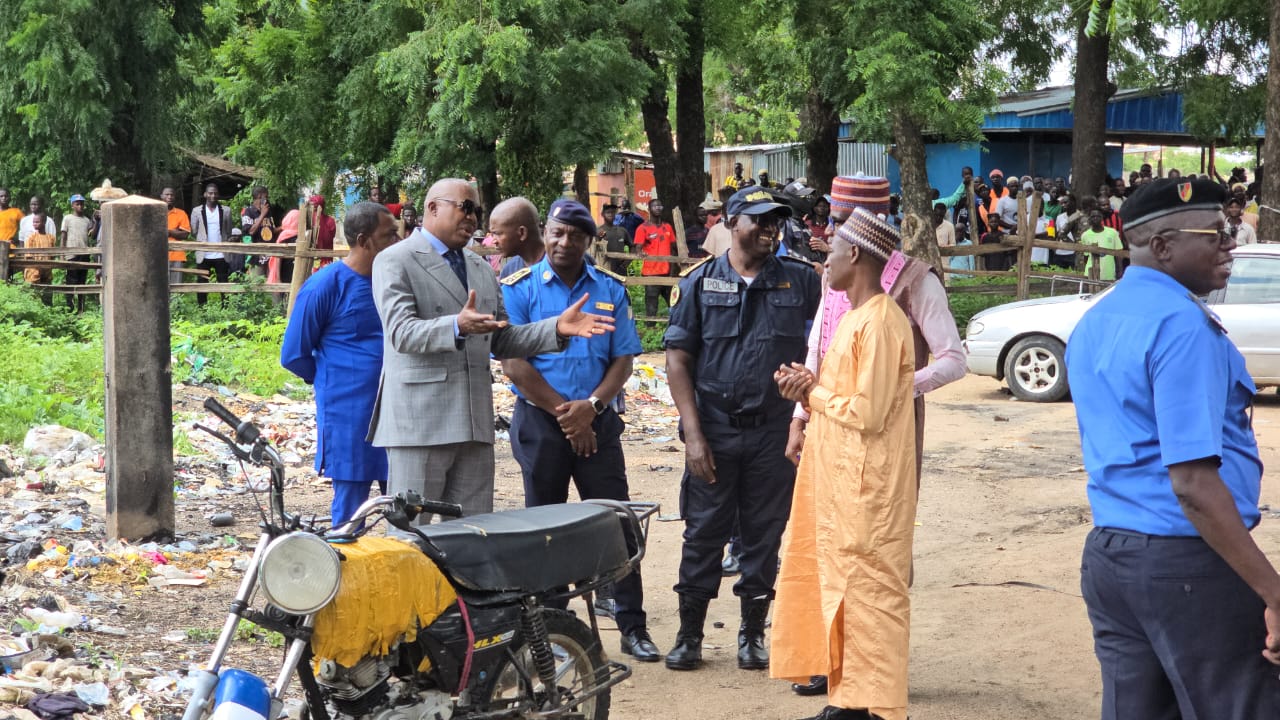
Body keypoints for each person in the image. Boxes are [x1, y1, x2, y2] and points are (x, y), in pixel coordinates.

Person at [1065, 177, 1280, 719]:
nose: (1230, 242)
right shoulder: (1181, 326)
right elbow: (1192, 484)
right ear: (1162, 247)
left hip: (1112, 557)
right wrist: (1273, 592)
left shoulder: (1094, 322)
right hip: (1187, 563)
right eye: (1215, 233)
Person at [786, 177, 965, 699]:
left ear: (865, 228)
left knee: (877, 547)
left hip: (884, 424)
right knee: (830, 540)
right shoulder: (841, 280)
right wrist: (799, 419)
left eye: (839, 218)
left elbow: (953, 359)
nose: (828, 229)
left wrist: (892, 388)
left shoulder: (912, 282)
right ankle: (833, 662)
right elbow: (818, 346)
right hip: (827, 420)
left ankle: (874, 671)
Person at [368, 178, 615, 518]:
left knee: (473, 535)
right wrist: (457, 325)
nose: (473, 218)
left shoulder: (480, 268)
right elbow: (400, 332)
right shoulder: (396, 260)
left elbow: (501, 340)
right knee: (413, 535)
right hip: (420, 424)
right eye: (465, 207)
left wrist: (555, 328)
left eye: (477, 211)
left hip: (473, 422)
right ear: (432, 208)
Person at [662, 186, 821, 672]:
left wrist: (806, 405)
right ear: (732, 223)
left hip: (775, 433)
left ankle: (752, 634)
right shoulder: (699, 282)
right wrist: (693, 435)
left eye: (776, 220)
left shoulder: (802, 280)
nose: (771, 227)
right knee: (704, 532)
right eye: (760, 220)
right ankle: (690, 634)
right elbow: (677, 359)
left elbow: (824, 347)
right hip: (714, 430)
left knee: (764, 534)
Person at [772, 208, 919, 720]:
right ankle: (847, 697)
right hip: (839, 481)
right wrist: (807, 392)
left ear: (854, 255)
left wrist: (813, 393)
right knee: (838, 588)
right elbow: (839, 395)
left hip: (868, 490)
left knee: (870, 596)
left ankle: (874, 706)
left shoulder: (879, 321)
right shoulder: (853, 317)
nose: (823, 262)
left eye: (830, 252)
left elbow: (869, 411)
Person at [500, 198, 657, 661]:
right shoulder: (519, 287)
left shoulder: (610, 288)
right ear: (544, 234)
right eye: (557, 232)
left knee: (616, 523)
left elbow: (624, 358)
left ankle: (633, 625)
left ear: (590, 241)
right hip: (542, 424)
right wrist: (568, 417)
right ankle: (553, 636)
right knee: (544, 530)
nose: (564, 242)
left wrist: (591, 407)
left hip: (598, 421)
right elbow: (514, 363)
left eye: (575, 235)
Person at [281, 202, 400, 525]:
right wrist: (332, 378)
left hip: (400, 411)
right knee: (350, 513)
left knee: (405, 508)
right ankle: (346, 573)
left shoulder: (396, 284)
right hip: (349, 416)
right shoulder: (325, 286)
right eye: (389, 235)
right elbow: (293, 354)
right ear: (364, 241)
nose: (397, 241)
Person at [190, 183, 234, 306]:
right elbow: (194, 230)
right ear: (205, 194)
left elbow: (229, 230)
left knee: (223, 281)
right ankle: (202, 307)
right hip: (204, 253)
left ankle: (226, 307)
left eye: (215, 193)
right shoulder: (197, 211)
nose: (213, 195)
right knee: (202, 281)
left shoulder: (226, 210)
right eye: (210, 193)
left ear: (218, 195)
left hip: (221, 253)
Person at [634, 198, 677, 319]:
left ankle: (674, 326)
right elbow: (638, 248)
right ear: (649, 209)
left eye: (660, 206)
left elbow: (674, 248)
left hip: (667, 271)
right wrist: (640, 252)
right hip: (651, 273)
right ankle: (650, 328)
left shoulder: (668, 227)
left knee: (673, 302)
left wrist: (673, 267)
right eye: (654, 206)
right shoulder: (642, 228)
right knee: (652, 304)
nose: (658, 208)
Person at [488, 197, 545, 279]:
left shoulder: (560, 264)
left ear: (522, 233)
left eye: (498, 234)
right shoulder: (509, 271)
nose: (494, 241)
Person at [59, 194, 96, 313]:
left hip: (84, 254)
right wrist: (62, 255)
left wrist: (96, 221)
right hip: (72, 254)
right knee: (71, 280)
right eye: (77, 204)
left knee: (82, 281)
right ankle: (69, 307)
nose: (80, 206)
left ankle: (81, 309)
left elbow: (92, 234)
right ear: (72, 205)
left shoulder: (86, 220)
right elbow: (63, 237)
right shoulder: (68, 218)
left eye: (82, 204)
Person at [1079, 208, 1123, 282]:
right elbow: (1085, 257)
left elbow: (1119, 254)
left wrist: (1119, 271)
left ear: (1102, 218)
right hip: (1091, 273)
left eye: (1098, 216)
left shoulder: (1112, 233)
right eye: (1093, 217)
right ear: (1089, 219)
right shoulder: (1085, 235)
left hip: (1108, 273)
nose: (1095, 218)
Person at [240, 186, 275, 277]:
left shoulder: (269, 212)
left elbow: (272, 231)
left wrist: (284, 227)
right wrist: (262, 214)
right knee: (257, 284)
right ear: (259, 196)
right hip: (256, 255)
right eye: (266, 197)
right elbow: (250, 231)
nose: (267, 200)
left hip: (270, 252)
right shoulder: (248, 212)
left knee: (270, 282)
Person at [161, 188, 191, 284]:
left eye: (172, 195)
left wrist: (168, 232)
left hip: (177, 255)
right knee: (159, 286)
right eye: (167, 194)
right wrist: (176, 232)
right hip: (158, 255)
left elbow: (185, 234)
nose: (169, 197)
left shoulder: (181, 214)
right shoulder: (155, 212)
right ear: (161, 196)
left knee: (176, 287)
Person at [598, 202, 633, 274]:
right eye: (608, 212)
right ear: (602, 214)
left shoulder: (622, 231)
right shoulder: (598, 231)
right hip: (603, 269)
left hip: (621, 270)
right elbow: (592, 251)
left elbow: (633, 247)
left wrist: (626, 263)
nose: (610, 214)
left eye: (613, 212)